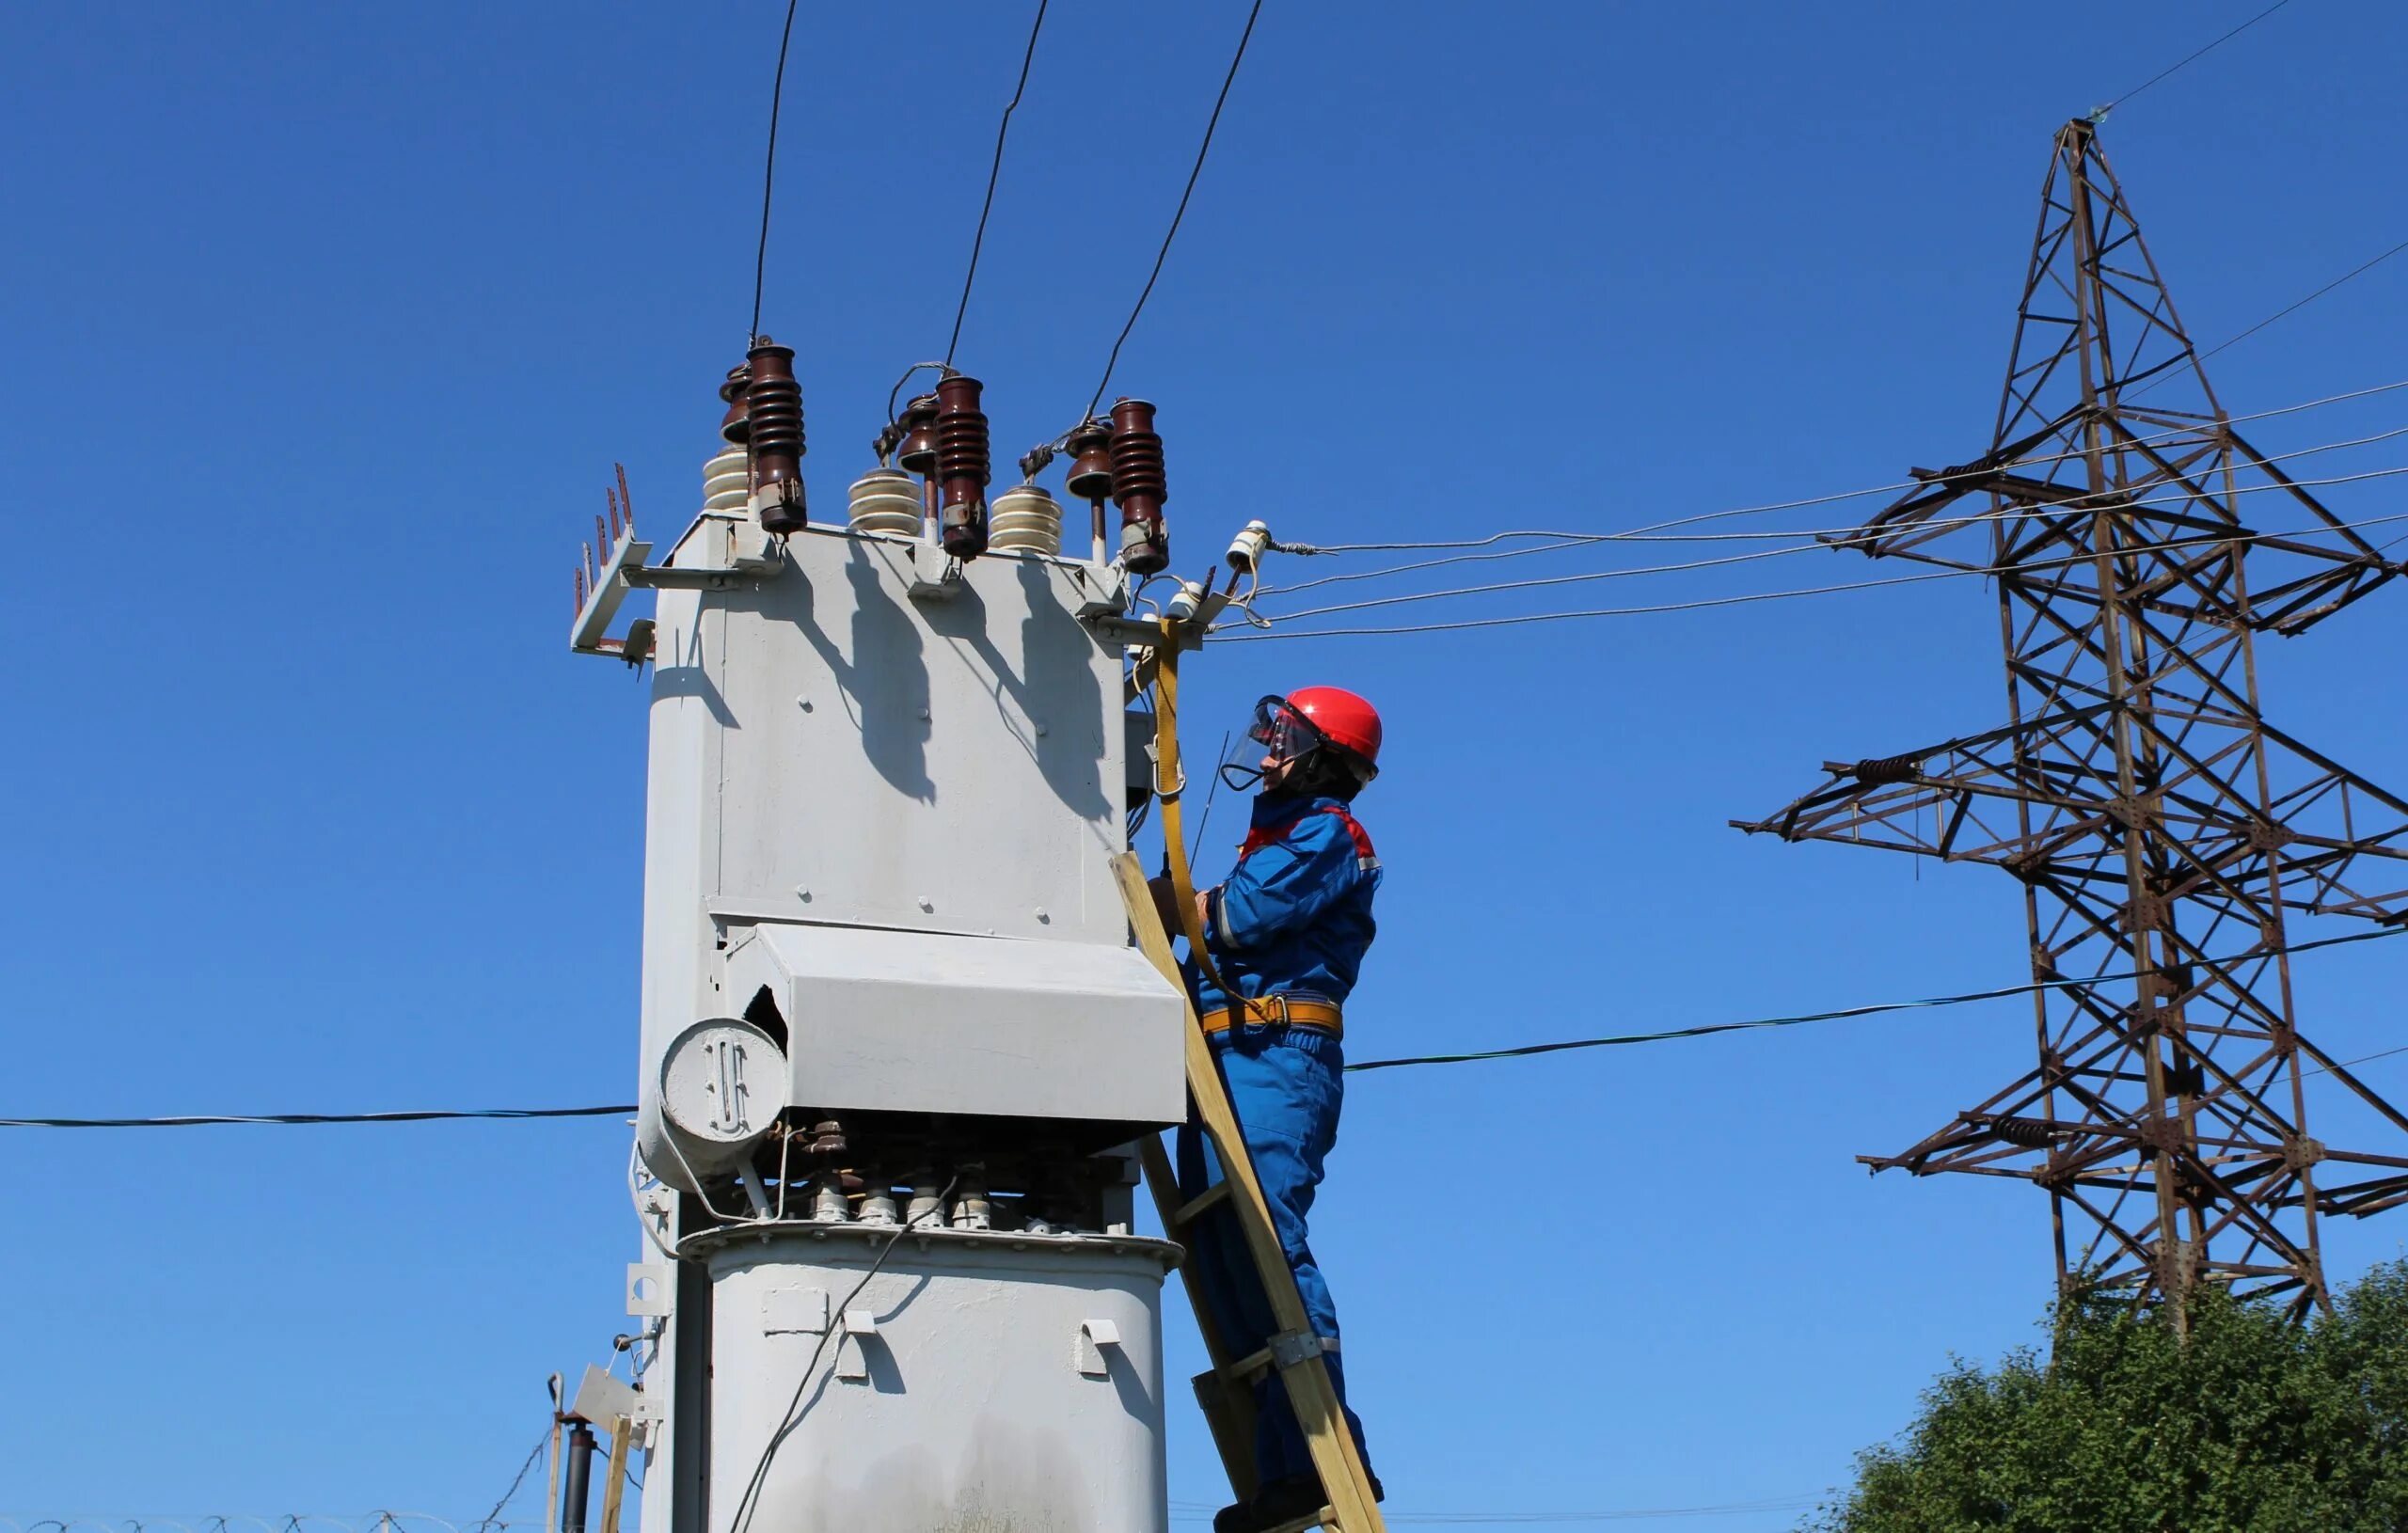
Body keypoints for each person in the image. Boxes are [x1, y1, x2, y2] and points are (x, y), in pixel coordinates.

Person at [1149, 686, 1386, 1533]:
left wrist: (1171, 902)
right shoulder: (1276, 838)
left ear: (1324, 758)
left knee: (1268, 1242)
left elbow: (1241, 921)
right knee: (1218, 1242)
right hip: (1227, 1054)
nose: (1268, 748)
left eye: (1284, 737)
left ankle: (1329, 1452)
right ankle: (1281, 1469)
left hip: (1277, 1058)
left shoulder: (1327, 832)